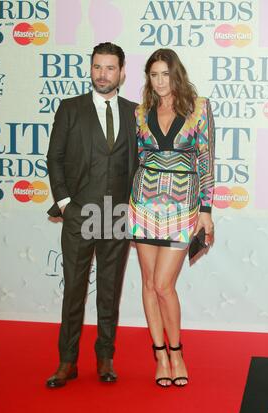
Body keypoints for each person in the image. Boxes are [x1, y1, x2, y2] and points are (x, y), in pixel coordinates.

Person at [46, 42, 138, 387]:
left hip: (117, 213)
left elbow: (141, 164)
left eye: (110, 68)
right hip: (79, 212)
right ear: (91, 69)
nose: (102, 74)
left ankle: (105, 358)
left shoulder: (133, 112)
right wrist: (67, 202)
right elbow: (54, 158)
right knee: (74, 290)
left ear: (122, 72)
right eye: (97, 67)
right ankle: (67, 361)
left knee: (110, 291)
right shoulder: (71, 109)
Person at [129, 49, 215, 387]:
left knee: (164, 285)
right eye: (154, 75)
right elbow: (136, 158)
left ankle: (177, 351)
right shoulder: (141, 113)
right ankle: (160, 355)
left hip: (183, 207)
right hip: (143, 205)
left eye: (166, 74)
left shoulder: (199, 108)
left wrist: (206, 210)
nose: (160, 81)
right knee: (149, 284)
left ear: (176, 74)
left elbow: (206, 160)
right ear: (148, 78)